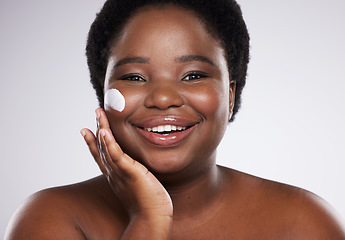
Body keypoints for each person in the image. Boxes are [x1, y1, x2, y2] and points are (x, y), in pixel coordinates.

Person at [5, 0, 345, 239]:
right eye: (135, 77)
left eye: (194, 75)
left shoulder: (302, 224)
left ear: (229, 95)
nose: (163, 98)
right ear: (103, 97)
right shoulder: (52, 218)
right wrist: (149, 219)